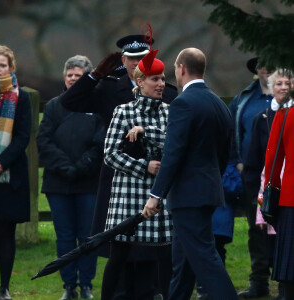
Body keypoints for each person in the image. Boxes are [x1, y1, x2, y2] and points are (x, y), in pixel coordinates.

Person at [60, 34, 177, 299]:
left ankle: (149, 292)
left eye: (142, 59)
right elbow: (69, 102)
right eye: (132, 59)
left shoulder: (167, 93)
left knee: (153, 247)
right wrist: (94, 76)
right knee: (119, 248)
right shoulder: (109, 87)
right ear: (123, 61)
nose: (137, 64)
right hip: (119, 180)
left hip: (154, 182)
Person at [143, 48, 238, 300]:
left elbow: (173, 154)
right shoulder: (219, 103)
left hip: (188, 196)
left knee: (205, 257)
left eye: (175, 68)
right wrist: (212, 179)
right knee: (182, 263)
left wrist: (155, 195)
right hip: (207, 190)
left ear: (181, 68)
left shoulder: (183, 103)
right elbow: (225, 152)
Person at [100, 49, 173, 300]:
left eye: (163, 79)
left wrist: (145, 130)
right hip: (127, 195)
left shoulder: (169, 111)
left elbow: (175, 144)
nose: (161, 84)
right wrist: (145, 166)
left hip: (159, 196)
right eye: (155, 79)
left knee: (166, 256)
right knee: (118, 256)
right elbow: (109, 154)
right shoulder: (123, 112)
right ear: (140, 81)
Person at [37, 55, 105, 300]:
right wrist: (65, 166)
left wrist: (83, 165)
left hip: (88, 183)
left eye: (78, 76)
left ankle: (86, 284)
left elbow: (101, 142)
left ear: (87, 78)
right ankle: (69, 285)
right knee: (65, 236)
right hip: (58, 183)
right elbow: (44, 140)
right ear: (64, 78)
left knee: (88, 236)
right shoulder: (54, 106)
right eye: (69, 75)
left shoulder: (97, 105)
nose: (73, 79)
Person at [244, 69, 292, 300]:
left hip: (289, 191)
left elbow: (274, 159)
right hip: (275, 191)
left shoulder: (286, 115)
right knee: (263, 242)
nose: (283, 87)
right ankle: (261, 282)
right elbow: (257, 161)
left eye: (287, 82)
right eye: (279, 83)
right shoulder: (264, 118)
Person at [229, 57, 274, 298]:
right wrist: (237, 161)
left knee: (284, 229)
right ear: (257, 69)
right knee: (256, 230)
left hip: (284, 178)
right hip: (253, 178)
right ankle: (259, 282)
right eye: (263, 64)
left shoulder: (287, 97)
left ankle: (285, 280)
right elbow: (230, 131)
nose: (268, 68)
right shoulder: (244, 99)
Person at [0, 45, 31, 300]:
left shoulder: (22, 97)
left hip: (9, 177)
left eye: (2, 65)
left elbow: (22, 136)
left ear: (11, 68)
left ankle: (4, 288)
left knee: (6, 235)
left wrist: (0, 163)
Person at [264, 71, 293, 300]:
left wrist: (272, 188)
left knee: (288, 265)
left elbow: (273, 159)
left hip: (290, 199)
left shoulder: (285, 114)